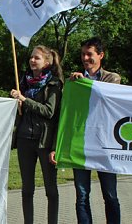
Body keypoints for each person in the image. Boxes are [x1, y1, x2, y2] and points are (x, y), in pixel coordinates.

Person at [54, 37, 121, 224]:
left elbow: (108, 98)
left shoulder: (112, 78)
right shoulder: (74, 81)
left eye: (89, 54)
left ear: (101, 55)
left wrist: (85, 84)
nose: (85, 58)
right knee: (82, 196)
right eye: (83, 54)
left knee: (110, 195)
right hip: (81, 145)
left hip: (106, 145)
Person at [9, 45, 64, 224]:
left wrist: (25, 100)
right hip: (25, 139)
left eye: (37, 58)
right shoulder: (23, 82)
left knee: (50, 189)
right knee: (27, 189)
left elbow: (49, 111)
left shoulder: (54, 84)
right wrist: (15, 104)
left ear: (47, 62)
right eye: (31, 57)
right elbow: (20, 111)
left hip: (45, 141)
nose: (32, 60)